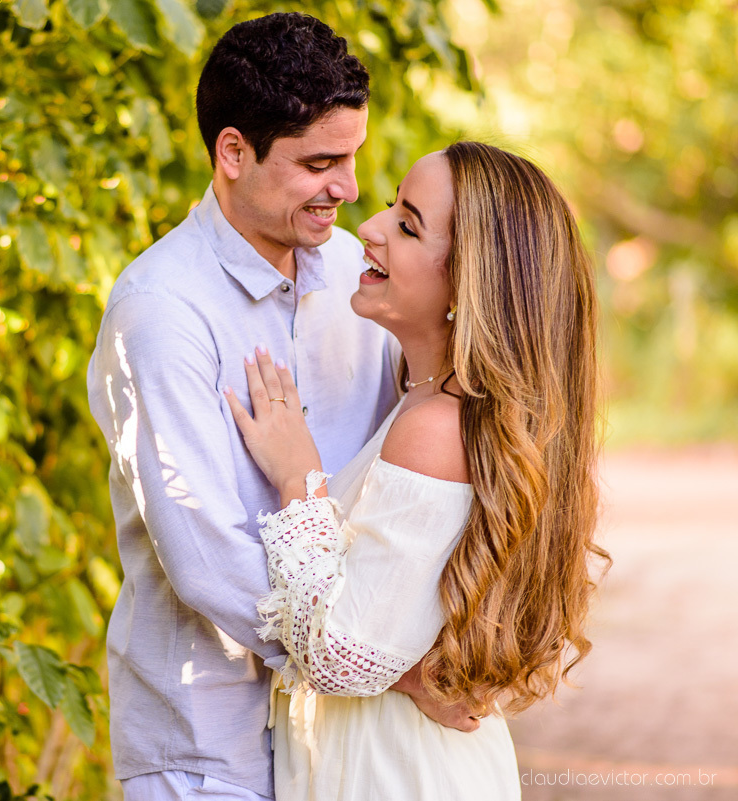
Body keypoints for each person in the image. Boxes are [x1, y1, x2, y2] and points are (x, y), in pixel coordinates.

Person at [87, 14, 477, 801]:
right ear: (233, 152)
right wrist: (383, 663)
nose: (350, 189)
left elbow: (408, 484)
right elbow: (205, 559)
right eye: (321, 163)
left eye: (354, 157)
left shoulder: (361, 277)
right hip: (210, 744)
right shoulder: (163, 311)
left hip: (343, 743)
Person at [223, 142, 606, 799]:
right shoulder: (431, 407)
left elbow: (339, 654)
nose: (368, 226)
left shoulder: (435, 430)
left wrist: (299, 478)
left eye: (407, 223)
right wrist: (413, 674)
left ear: (469, 280)